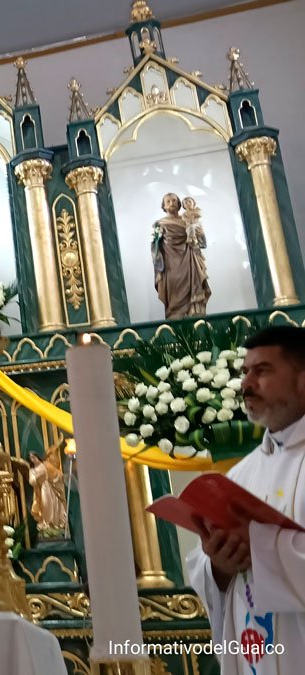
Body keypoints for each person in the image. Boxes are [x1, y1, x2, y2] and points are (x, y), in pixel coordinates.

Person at [187, 325, 305, 674]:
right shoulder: (241, 474)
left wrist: (260, 548)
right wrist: (219, 566)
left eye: (263, 370)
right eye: (245, 372)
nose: (246, 383)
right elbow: (204, 569)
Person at [152, 192, 210, 319]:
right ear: (164, 206)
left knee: (193, 290)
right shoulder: (160, 224)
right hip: (171, 265)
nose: (171, 203)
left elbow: (202, 243)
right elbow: (156, 248)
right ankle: (175, 316)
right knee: (174, 292)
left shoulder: (188, 220)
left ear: (179, 204)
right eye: (168, 201)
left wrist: (201, 233)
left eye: (174, 200)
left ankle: (195, 315)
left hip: (190, 262)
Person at [27, 452, 67, 534]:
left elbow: (57, 473)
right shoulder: (32, 470)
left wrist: (61, 477)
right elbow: (31, 481)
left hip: (50, 487)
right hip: (42, 489)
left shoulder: (45, 465)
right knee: (45, 505)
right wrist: (37, 477)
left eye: (34, 457)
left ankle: (55, 524)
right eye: (31, 458)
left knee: (54, 505)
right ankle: (46, 523)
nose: (33, 459)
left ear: (37, 456)